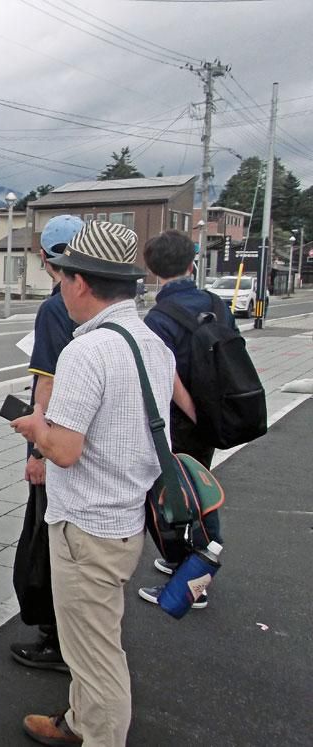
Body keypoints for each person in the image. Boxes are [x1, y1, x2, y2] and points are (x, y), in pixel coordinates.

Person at [11, 222, 175, 747]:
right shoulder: (153, 342)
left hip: (87, 525)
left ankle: (99, 735)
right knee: (92, 640)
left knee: (96, 656)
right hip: (126, 515)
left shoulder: (86, 352)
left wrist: (35, 428)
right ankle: (77, 723)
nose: (59, 288)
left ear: (80, 283)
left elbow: (65, 448)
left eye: (62, 278)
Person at [138, 229, 234, 609]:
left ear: (152, 269)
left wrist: (191, 412)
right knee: (199, 491)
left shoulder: (159, 317)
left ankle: (191, 582)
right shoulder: (216, 302)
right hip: (213, 415)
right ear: (192, 263)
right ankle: (184, 562)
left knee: (178, 500)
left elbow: (167, 375)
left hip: (179, 422)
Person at [10, 214, 83, 675]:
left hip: (57, 442)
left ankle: (56, 640)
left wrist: (37, 451)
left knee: (47, 542)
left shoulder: (57, 308)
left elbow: (47, 385)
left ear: (45, 258)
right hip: (86, 442)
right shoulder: (107, 305)